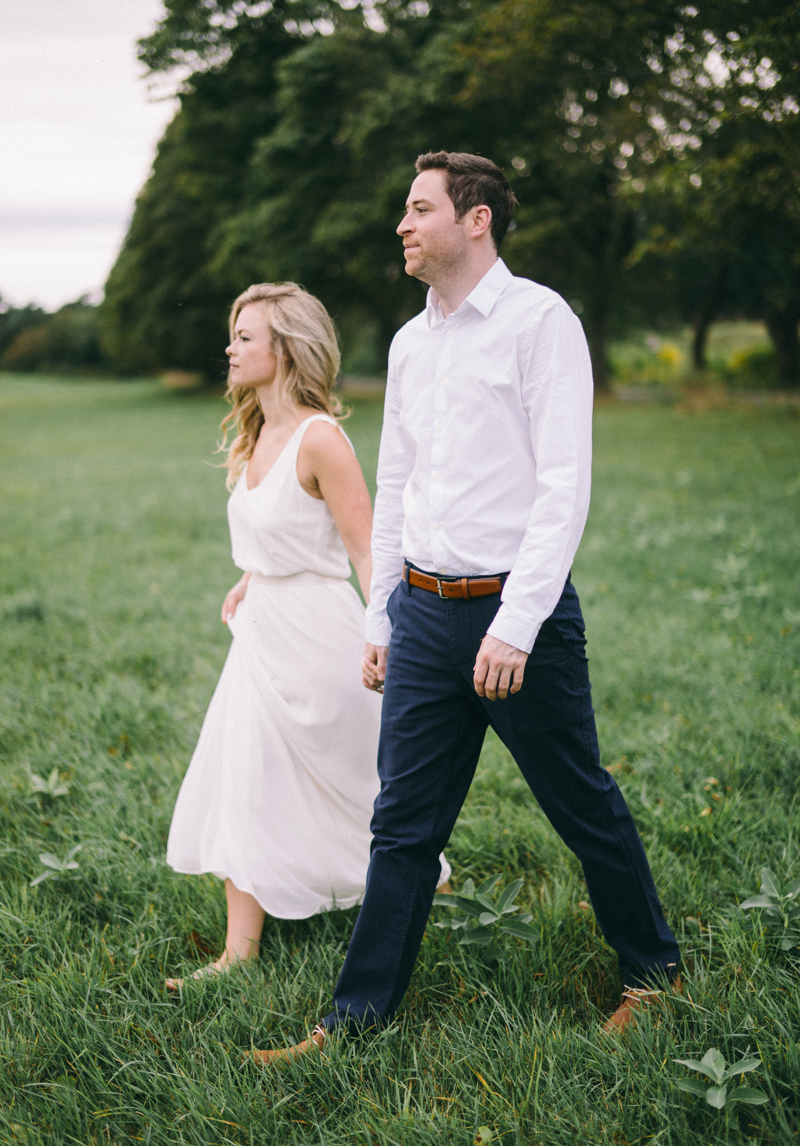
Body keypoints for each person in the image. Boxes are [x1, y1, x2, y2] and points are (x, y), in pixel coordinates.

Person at [252, 153, 680, 1063]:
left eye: (419, 209)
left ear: (474, 220)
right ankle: (353, 1021)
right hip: (423, 617)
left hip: (516, 619)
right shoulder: (412, 343)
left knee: (580, 805)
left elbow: (564, 488)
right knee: (402, 825)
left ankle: (655, 975)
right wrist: (382, 619)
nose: (402, 227)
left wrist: (516, 627)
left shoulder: (540, 323)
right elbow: (396, 487)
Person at [165, 281, 450, 989]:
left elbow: (364, 548)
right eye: (233, 335)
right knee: (245, 781)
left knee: (357, 787)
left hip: (320, 639)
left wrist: (384, 631)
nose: (230, 348)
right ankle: (238, 954)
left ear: (286, 349)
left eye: (246, 337)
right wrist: (252, 578)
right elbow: (278, 535)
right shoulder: (254, 432)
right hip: (260, 635)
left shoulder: (322, 439)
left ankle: (427, 892)